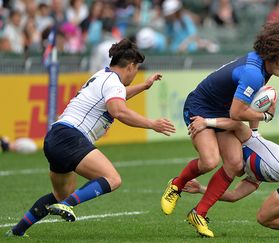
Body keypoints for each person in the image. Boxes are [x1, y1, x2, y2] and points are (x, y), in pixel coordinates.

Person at [5, 38, 176, 237]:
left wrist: (143, 86)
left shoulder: (102, 76)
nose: (136, 73)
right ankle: (67, 206)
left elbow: (118, 96)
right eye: (137, 69)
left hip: (55, 137)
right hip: (71, 137)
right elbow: (118, 111)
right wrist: (152, 124)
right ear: (130, 66)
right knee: (112, 179)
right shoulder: (114, 83)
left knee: (61, 194)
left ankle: (17, 232)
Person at [160, 17, 279, 237]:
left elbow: (244, 107)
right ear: (272, 55)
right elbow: (237, 114)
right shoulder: (253, 74)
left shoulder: (263, 67)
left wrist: (256, 132)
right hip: (200, 108)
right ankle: (176, 184)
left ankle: (199, 213)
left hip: (222, 109)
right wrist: (265, 117)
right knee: (210, 161)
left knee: (234, 163)